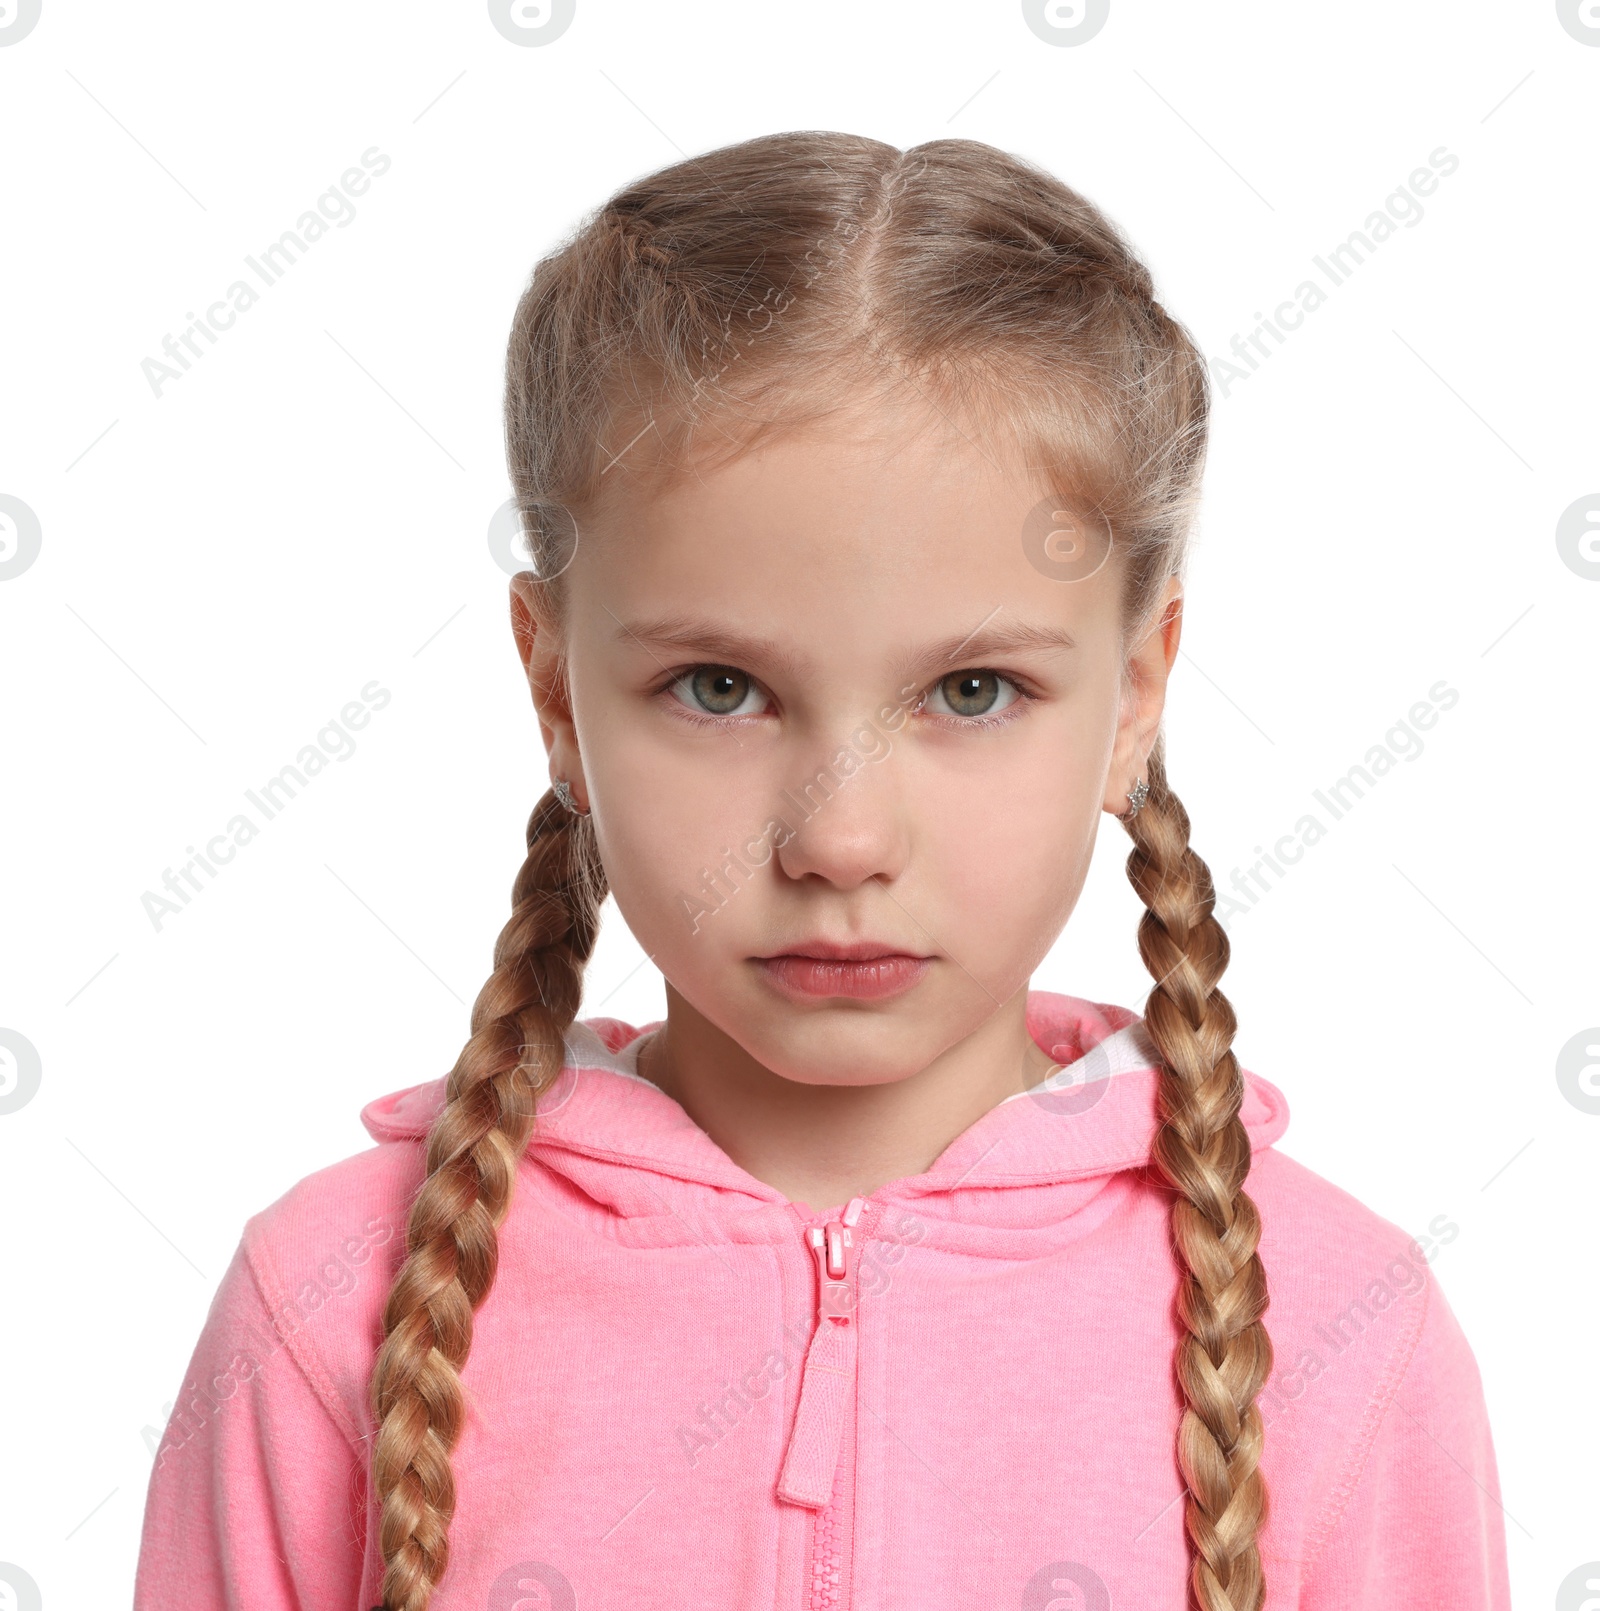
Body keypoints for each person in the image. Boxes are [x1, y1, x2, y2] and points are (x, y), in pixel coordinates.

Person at [133, 131, 1512, 1611]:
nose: (842, 844)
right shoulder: (330, 1305)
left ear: (1138, 696)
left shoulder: (1343, 1335)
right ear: (554, 693)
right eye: (721, 688)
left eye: (972, 692)